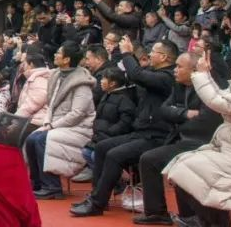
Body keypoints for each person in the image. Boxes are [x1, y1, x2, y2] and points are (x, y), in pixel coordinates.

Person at [71, 37, 177, 217]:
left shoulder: (167, 77)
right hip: (140, 132)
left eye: (154, 52)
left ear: (165, 57)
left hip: (157, 136)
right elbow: (136, 74)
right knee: (102, 147)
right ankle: (97, 197)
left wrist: (128, 53)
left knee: (114, 155)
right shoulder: (153, 72)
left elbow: (138, 75)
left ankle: (97, 204)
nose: (150, 54)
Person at [165, 52, 231, 227]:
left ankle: (214, 223)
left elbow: (217, 102)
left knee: (189, 170)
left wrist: (201, 75)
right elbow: (219, 96)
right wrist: (206, 74)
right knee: (181, 168)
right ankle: (206, 222)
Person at [132, 51, 223, 225]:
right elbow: (164, 110)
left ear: (194, 69)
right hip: (180, 138)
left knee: (151, 159)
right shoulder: (179, 86)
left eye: (179, 67)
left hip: (202, 142)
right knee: (148, 159)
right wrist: (184, 113)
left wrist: (177, 116)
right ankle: (157, 212)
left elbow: (205, 121)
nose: (175, 70)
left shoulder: (211, 86)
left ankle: (188, 216)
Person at [29, 41, 96, 200]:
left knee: (41, 140)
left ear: (66, 59)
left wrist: (52, 126)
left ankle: (52, 187)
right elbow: (50, 104)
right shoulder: (56, 75)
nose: (55, 55)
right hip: (58, 125)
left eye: (58, 53)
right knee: (31, 139)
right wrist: (47, 122)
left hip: (78, 129)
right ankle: (37, 183)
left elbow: (77, 114)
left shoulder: (82, 82)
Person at [72, 66, 134, 183]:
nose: (101, 81)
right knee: (86, 152)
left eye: (104, 79)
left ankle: (114, 181)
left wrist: (110, 131)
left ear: (113, 83)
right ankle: (107, 181)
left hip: (113, 138)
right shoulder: (106, 95)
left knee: (97, 156)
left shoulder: (124, 99)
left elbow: (125, 122)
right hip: (100, 136)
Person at [15, 51, 51, 128]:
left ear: (31, 64)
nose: (22, 66)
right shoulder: (36, 77)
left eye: (24, 64)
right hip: (30, 119)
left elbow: (33, 103)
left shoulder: (39, 79)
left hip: (35, 121)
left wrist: (15, 119)